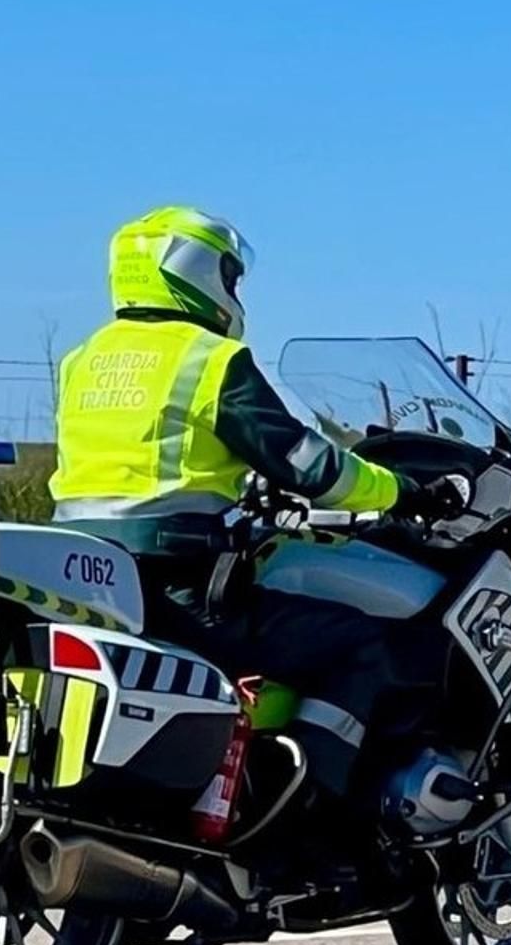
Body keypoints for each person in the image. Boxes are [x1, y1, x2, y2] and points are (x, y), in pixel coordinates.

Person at [48, 206, 463, 815]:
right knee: (364, 645)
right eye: (231, 275)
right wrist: (402, 492)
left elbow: (143, 463)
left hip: (94, 583)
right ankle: (314, 805)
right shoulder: (207, 360)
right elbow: (308, 464)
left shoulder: (82, 361)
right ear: (191, 270)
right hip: (187, 589)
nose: (236, 291)